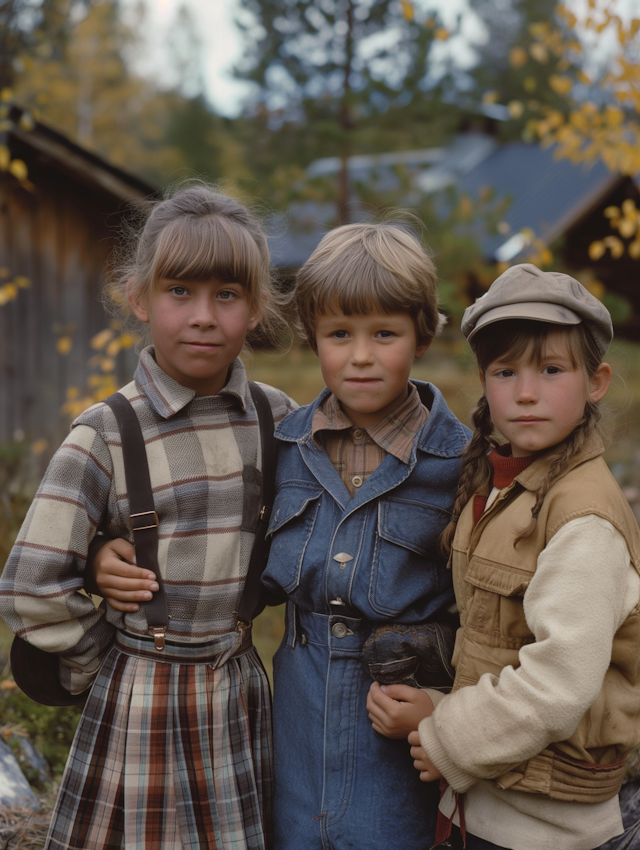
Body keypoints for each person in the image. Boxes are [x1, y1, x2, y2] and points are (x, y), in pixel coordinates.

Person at [87, 222, 471, 849]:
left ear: (423, 334)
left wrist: (446, 709)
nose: (362, 355)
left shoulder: (458, 465)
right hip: (293, 726)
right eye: (340, 334)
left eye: (385, 334)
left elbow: (489, 613)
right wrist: (101, 553)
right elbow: (208, 526)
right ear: (312, 338)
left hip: (400, 737)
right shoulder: (282, 444)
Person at [0, 184, 295, 850]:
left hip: (238, 692)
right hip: (144, 700)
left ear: (256, 308)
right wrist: (101, 656)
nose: (203, 317)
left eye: (227, 295)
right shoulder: (106, 434)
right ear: (138, 297)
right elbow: (32, 586)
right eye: (180, 292)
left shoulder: (279, 421)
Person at [369, 263, 640, 850]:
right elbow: (498, 645)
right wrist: (436, 703)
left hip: (546, 824)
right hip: (485, 803)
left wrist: (442, 735)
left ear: (595, 382)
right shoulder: (500, 488)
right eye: (505, 370)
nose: (524, 392)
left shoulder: (583, 516)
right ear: (485, 383)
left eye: (551, 369)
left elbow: (558, 682)